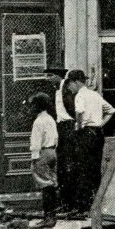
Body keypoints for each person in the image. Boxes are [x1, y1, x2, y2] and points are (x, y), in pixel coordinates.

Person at [66, 69, 115, 214]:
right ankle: (97, 204)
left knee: (83, 169)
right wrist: (100, 124)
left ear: (75, 82)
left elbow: (79, 112)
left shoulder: (80, 95)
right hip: (97, 134)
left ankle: (83, 206)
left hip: (85, 134)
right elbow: (111, 110)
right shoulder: (94, 94)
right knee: (95, 169)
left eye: (70, 84)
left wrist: (79, 127)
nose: (70, 87)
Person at [44, 67, 76, 214]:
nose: (48, 79)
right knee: (62, 165)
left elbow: (73, 109)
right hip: (61, 127)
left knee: (68, 164)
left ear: (58, 76)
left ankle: (70, 203)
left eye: (50, 76)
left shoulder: (66, 88)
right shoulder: (57, 90)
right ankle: (65, 202)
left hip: (68, 127)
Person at [28, 92, 58, 229]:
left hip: (42, 153)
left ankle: (48, 218)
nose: (31, 108)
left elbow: (35, 143)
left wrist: (35, 160)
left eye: (33, 105)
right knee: (51, 184)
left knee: (45, 186)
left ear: (37, 106)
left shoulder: (38, 121)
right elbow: (56, 138)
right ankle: (52, 215)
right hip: (52, 151)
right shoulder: (50, 119)